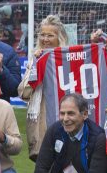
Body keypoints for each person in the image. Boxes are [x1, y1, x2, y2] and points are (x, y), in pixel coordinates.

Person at [19, 14, 69, 160]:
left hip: (63, 115)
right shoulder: (35, 59)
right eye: (42, 35)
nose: (45, 39)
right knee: (43, 165)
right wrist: (36, 64)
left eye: (50, 35)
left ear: (60, 38)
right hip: (41, 118)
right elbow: (23, 93)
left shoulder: (68, 59)